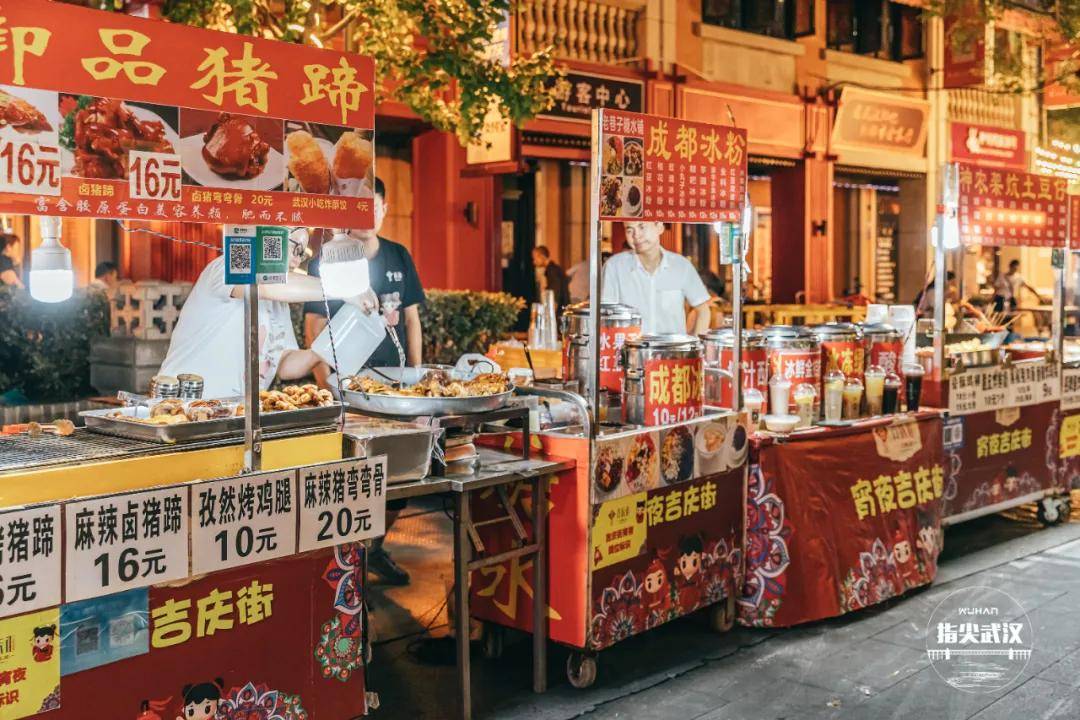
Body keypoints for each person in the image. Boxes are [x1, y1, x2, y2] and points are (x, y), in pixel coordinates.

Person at [304, 177, 421, 587]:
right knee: (354, 474)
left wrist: (415, 382)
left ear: (385, 209)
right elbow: (315, 322)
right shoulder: (331, 258)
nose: (366, 215)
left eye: (373, 206)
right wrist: (325, 383)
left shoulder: (399, 256)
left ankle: (374, 548)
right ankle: (347, 560)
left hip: (394, 389)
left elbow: (411, 319)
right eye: (357, 207)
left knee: (403, 473)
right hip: (347, 385)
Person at [159, 227, 369, 399]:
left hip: (237, 416)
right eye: (296, 248)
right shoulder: (228, 265)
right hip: (183, 405)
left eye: (302, 254)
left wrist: (326, 349)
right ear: (270, 236)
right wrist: (342, 288)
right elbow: (267, 285)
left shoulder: (279, 302)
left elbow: (283, 363)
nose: (298, 260)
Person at [602, 221, 711, 335]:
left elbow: (703, 311)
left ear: (659, 227)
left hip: (672, 350)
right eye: (629, 230)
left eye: (642, 227)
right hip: (629, 350)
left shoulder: (681, 266)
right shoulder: (614, 267)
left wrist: (697, 348)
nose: (636, 235)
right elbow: (605, 314)